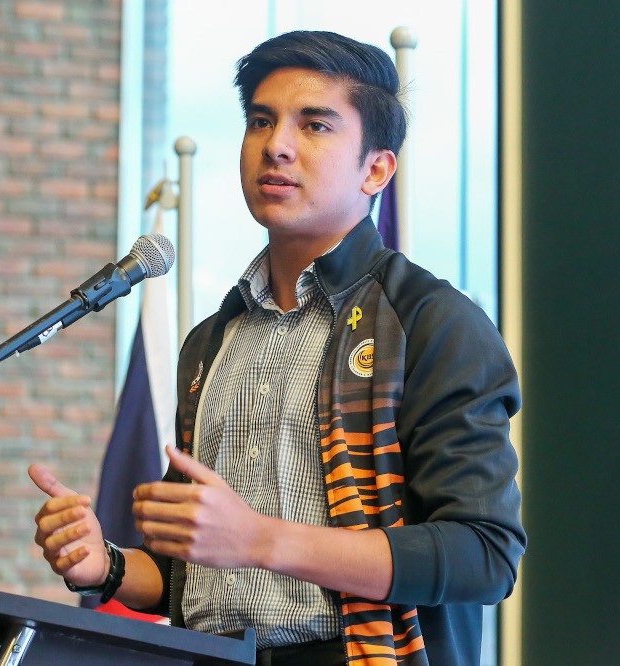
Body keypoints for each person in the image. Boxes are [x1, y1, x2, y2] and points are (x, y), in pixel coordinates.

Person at [29, 30, 524, 666]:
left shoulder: (432, 323)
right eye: (261, 121)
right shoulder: (212, 340)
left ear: (376, 168)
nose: (277, 146)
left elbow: (484, 555)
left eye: (314, 126)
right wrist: (106, 565)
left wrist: (262, 540)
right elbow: (194, 578)